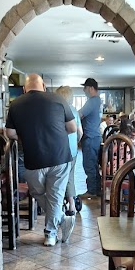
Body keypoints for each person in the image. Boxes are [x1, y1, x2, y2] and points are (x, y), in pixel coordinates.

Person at [5, 73, 77, 246]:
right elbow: (72, 128)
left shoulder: (16, 104)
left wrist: (26, 136)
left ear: (24, 89)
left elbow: (10, 133)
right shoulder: (58, 99)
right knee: (55, 196)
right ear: (43, 86)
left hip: (34, 157)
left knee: (37, 192)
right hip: (60, 156)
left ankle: (50, 233)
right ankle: (61, 219)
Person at [55, 85, 83, 213]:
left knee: (59, 177)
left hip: (59, 150)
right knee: (70, 176)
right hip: (72, 150)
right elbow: (80, 132)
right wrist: (75, 141)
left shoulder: (56, 110)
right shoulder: (74, 111)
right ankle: (72, 204)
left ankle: (63, 203)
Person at [79, 77, 103, 198]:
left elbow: (79, 114)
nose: (84, 90)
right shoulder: (98, 101)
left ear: (91, 88)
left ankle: (92, 191)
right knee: (93, 164)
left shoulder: (92, 101)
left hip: (90, 137)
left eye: (85, 88)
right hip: (95, 137)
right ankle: (97, 189)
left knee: (89, 164)